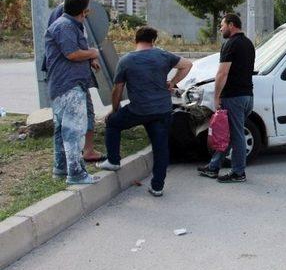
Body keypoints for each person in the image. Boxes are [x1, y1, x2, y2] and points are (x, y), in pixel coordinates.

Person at [97, 26, 192, 197]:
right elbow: (187, 65)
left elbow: (117, 89)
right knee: (161, 148)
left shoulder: (126, 60)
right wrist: (172, 82)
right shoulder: (163, 55)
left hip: (138, 109)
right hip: (162, 109)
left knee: (112, 123)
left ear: (136, 40)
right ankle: (157, 187)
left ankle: (113, 160)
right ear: (153, 40)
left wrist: (115, 110)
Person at [45, 0, 100, 184]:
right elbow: (72, 54)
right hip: (68, 85)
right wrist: (93, 52)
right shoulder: (65, 26)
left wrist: (90, 58)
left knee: (62, 130)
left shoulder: (68, 25)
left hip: (63, 85)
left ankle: (60, 169)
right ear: (84, 10)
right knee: (73, 130)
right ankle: (76, 174)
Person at [199, 13, 255, 183]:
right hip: (247, 96)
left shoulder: (230, 44)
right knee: (230, 133)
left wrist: (216, 97)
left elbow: (222, 73)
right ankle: (214, 166)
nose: (221, 28)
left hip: (234, 97)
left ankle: (238, 172)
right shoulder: (248, 43)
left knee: (236, 135)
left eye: (222, 25)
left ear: (231, 25)